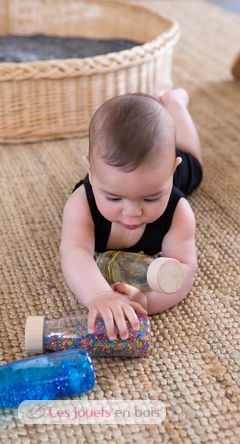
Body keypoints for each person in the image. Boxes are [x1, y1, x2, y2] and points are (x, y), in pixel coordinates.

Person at [60, 88, 203, 341]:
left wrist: (147, 299)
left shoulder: (177, 211)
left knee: (193, 161)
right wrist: (99, 295)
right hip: (120, 175)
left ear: (171, 170)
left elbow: (185, 270)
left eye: (150, 198)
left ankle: (174, 101)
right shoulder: (83, 202)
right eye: (114, 198)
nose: (132, 212)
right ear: (91, 172)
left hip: (164, 171)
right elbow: (75, 252)